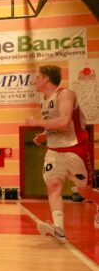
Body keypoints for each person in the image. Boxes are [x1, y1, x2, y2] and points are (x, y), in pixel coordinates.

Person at [26, 65, 98, 241]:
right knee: (53, 185)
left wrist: (37, 122)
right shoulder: (44, 100)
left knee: (84, 191)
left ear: (46, 79)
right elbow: (54, 123)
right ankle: (59, 229)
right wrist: (45, 135)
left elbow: (65, 122)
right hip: (54, 150)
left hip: (76, 149)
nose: (34, 81)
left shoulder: (65, 94)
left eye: (37, 77)